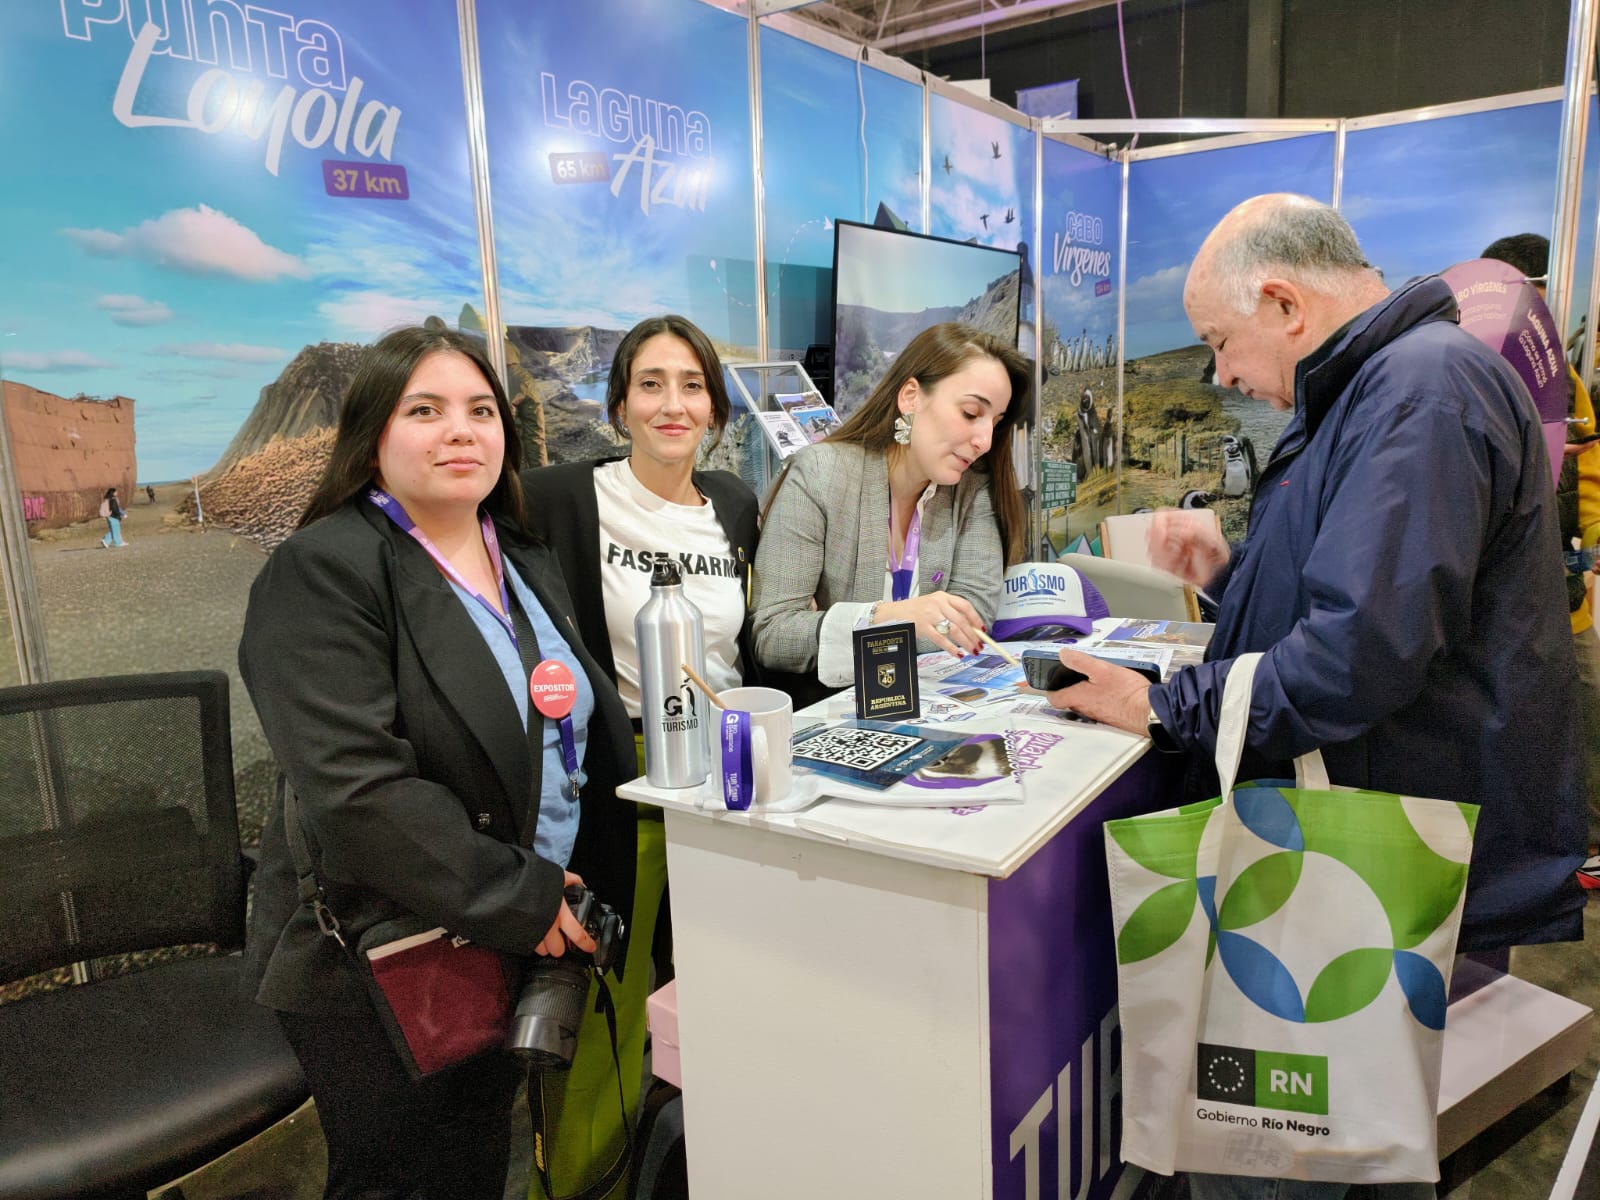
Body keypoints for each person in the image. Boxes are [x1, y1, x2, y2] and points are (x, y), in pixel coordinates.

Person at [1046, 195, 1584, 1200]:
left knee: (1287, 1159)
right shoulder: (1392, 386)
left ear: (1284, 302)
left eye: (1218, 342)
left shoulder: (1418, 392)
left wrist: (1162, 707)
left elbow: (1354, 659)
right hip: (1361, 852)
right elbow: (1371, 591)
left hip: (1360, 875)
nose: (1219, 376)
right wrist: (1234, 572)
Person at [238, 326, 637, 1200]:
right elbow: (357, 791)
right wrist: (523, 899)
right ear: (373, 435)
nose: (461, 431)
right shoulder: (323, 571)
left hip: (514, 919)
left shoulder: (518, 553)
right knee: (408, 1176)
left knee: (476, 1155)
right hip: (384, 951)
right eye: (425, 410)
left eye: (481, 410)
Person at [520, 313, 758, 1199]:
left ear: (715, 407)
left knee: (710, 1000)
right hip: (618, 797)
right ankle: (582, 1180)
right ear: (620, 404)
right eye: (651, 384)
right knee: (609, 1016)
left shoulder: (732, 504)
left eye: (691, 384)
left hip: (723, 790)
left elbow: (747, 653)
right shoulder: (563, 498)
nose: (673, 403)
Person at [750, 321, 1029, 698]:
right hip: (832, 719)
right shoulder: (820, 473)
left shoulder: (972, 489)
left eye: (995, 422)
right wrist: (895, 618)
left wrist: (831, 630)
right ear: (911, 397)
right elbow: (773, 636)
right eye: (970, 413)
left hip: (934, 711)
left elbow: (970, 623)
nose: (984, 441)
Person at [1479, 233, 1600, 858]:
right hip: (1496, 603)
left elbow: (1592, 466)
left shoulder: (1565, 381)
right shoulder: (1471, 373)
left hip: (1565, 592)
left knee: (1585, 715)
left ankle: (1587, 849)